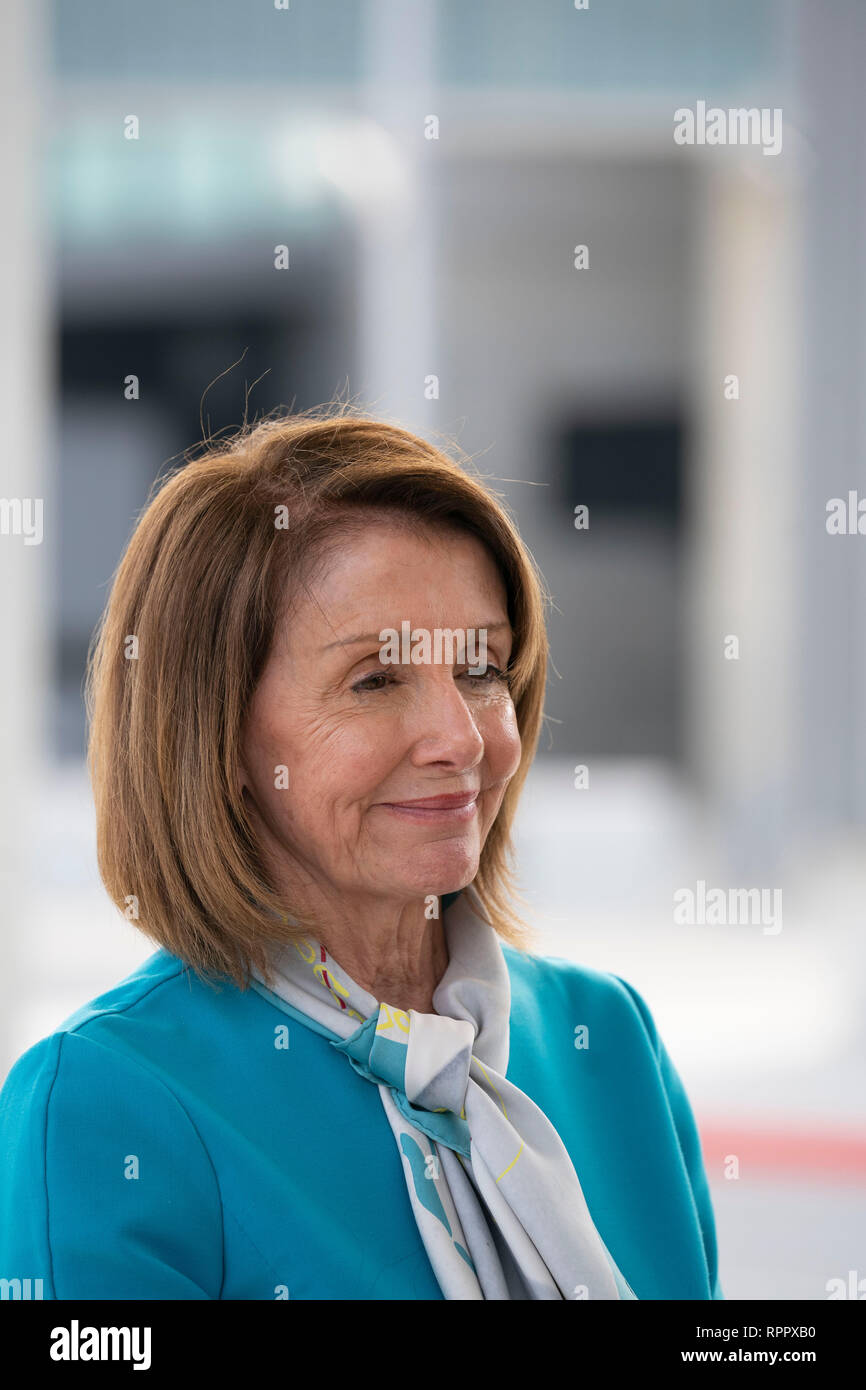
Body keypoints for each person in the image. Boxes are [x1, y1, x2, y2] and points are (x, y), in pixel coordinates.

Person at [0, 406, 722, 1300]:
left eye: (481, 668)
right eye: (375, 680)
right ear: (216, 735)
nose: (459, 737)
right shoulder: (107, 1103)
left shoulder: (607, 1039)